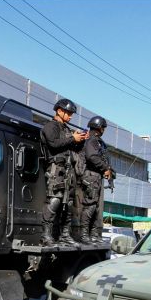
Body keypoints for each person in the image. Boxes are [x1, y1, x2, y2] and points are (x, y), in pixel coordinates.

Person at [40, 98, 88, 245]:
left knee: (68, 201)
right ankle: (46, 235)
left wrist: (80, 140)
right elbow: (54, 144)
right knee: (55, 200)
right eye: (68, 113)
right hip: (56, 168)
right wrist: (72, 138)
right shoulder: (50, 126)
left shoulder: (66, 129)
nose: (70, 116)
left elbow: (73, 149)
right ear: (59, 111)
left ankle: (65, 235)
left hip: (68, 169)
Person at [78, 116, 113, 244]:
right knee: (90, 206)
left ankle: (93, 235)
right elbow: (91, 156)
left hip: (95, 176)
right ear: (99, 127)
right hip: (90, 175)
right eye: (103, 127)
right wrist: (105, 168)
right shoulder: (92, 140)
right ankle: (84, 235)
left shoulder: (97, 141)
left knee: (95, 207)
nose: (104, 129)